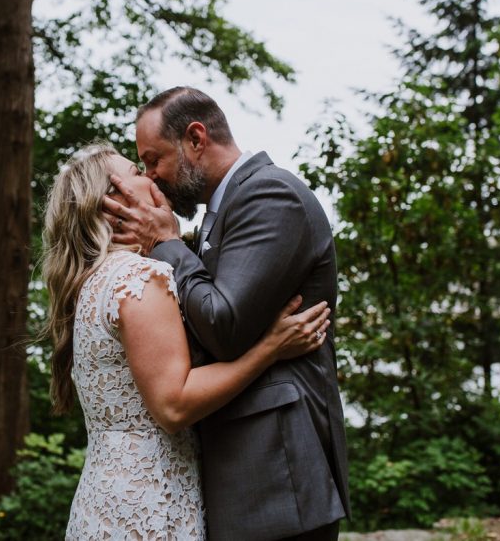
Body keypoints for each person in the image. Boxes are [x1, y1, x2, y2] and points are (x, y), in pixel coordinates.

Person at [42, 143, 332, 540]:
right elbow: (174, 405)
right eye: (135, 170)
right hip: (152, 503)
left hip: (105, 498)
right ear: (113, 203)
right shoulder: (139, 278)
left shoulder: (92, 283)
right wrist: (271, 348)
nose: (150, 177)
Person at [103, 87, 351, 541]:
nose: (151, 176)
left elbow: (224, 326)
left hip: (277, 471)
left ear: (196, 138)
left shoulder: (270, 194)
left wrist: (168, 244)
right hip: (247, 469)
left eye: (154, 159)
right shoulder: (222, 210)